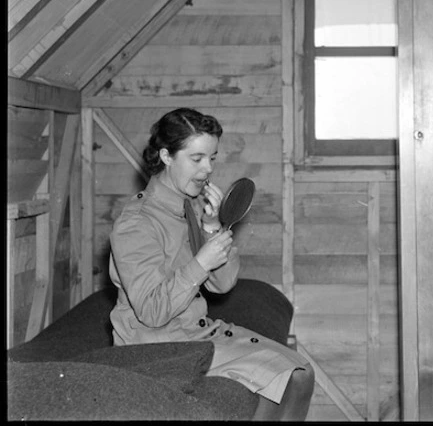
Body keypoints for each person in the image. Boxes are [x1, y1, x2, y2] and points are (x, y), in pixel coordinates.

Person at [108, 107, 314, 421]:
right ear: (166, 156)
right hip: (154, 347)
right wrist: (201, 262)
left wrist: (212, 226)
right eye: (196, 158)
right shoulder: (136, 224)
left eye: (212, 158)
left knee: (301, 373)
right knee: (281, 379)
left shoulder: (188, 207)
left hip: (192, 334)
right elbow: (152, 311)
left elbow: (222, 284)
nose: (207, 169)